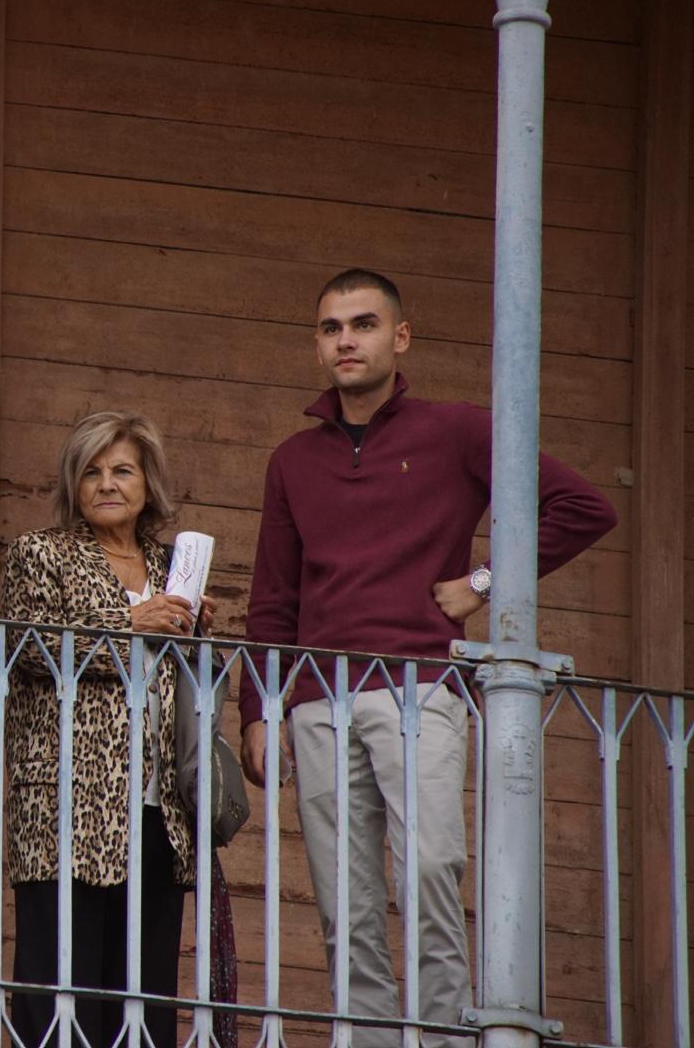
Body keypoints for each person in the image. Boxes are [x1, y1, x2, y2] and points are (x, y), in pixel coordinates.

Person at [238, 269, 617, 1047]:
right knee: (347, 905)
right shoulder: (292, 461)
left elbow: (584, 507)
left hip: (421, 690)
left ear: (400, 337)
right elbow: (273, 599)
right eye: (331, 327)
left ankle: (443, 1040)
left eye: (364, 324)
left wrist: (481, 583)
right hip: (315, 699)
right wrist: (257, 708)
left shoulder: (455, 430)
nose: (346, 339)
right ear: (318, 344)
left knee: (431, 878)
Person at [0, 411, 223, 1048]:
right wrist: (131, 624)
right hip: (68, 809)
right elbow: (32, 651)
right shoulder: (41, 553)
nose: (106, 484)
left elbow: (193, 687)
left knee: (145, 995)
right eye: (91, 472)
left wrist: (194, 630)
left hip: (160, 811)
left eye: (122, 470)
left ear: (147, 485)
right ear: (73, 485)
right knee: (62, 989)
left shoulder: (172, 565)